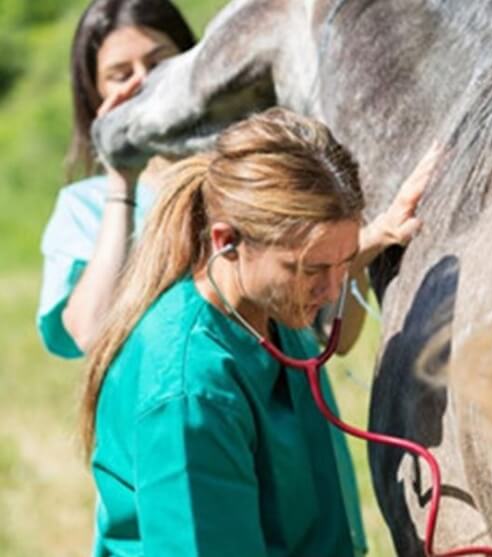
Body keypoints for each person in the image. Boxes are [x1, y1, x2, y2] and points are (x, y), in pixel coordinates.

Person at [80, 107, 436, 556]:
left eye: (343, 264)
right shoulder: (189, 395)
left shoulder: (261, 306)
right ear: (225, 241)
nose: (330, 291)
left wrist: (379, 234)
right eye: (311, 269)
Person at [37, 0, 196, 358]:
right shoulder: (85, 207)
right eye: (122, 75)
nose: (144, 81)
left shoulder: (246, 174)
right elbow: (92, 333)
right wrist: (121, 182)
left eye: (158, 64)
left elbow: (332, 332)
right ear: (96, 95)